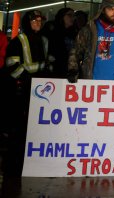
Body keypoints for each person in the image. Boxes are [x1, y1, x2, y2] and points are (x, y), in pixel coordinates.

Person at [3, 10, 50, 176]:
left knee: (32, 129)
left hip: (38, 92)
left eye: (40, 20)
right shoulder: (18, 41)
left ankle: (26, 162)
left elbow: (47, 63)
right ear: (27, 23)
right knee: (17, 129)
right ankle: (12, 166)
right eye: (35, 20)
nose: (38, 23)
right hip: (20, 91)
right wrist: (27, 79)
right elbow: (11, 65)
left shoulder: (43, 40)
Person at [67, 0, 114, 84]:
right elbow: (76, 50)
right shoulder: (90, 30)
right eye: (111, 9)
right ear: (103, 10)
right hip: (90, 81)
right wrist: (73, 69)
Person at [46, 8, 76, 78]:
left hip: (70, 70)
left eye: (73, 15)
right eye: (69, 15)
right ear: (62, 16)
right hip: (56, 70)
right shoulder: (53, 32)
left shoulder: (74, 33)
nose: (72, 18)